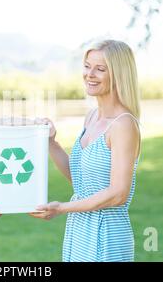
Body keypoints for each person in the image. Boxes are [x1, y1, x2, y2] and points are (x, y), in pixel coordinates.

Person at [31, 40, 141, 262]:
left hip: (107, 233)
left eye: (100, 69)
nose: (90, 74)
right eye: (87, 66)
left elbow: (118, 194)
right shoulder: (91, 117)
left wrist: (62, 208)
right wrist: (51, 142)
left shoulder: (123, 124)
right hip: (81, 229)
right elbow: (81, 181)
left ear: (118, 74)